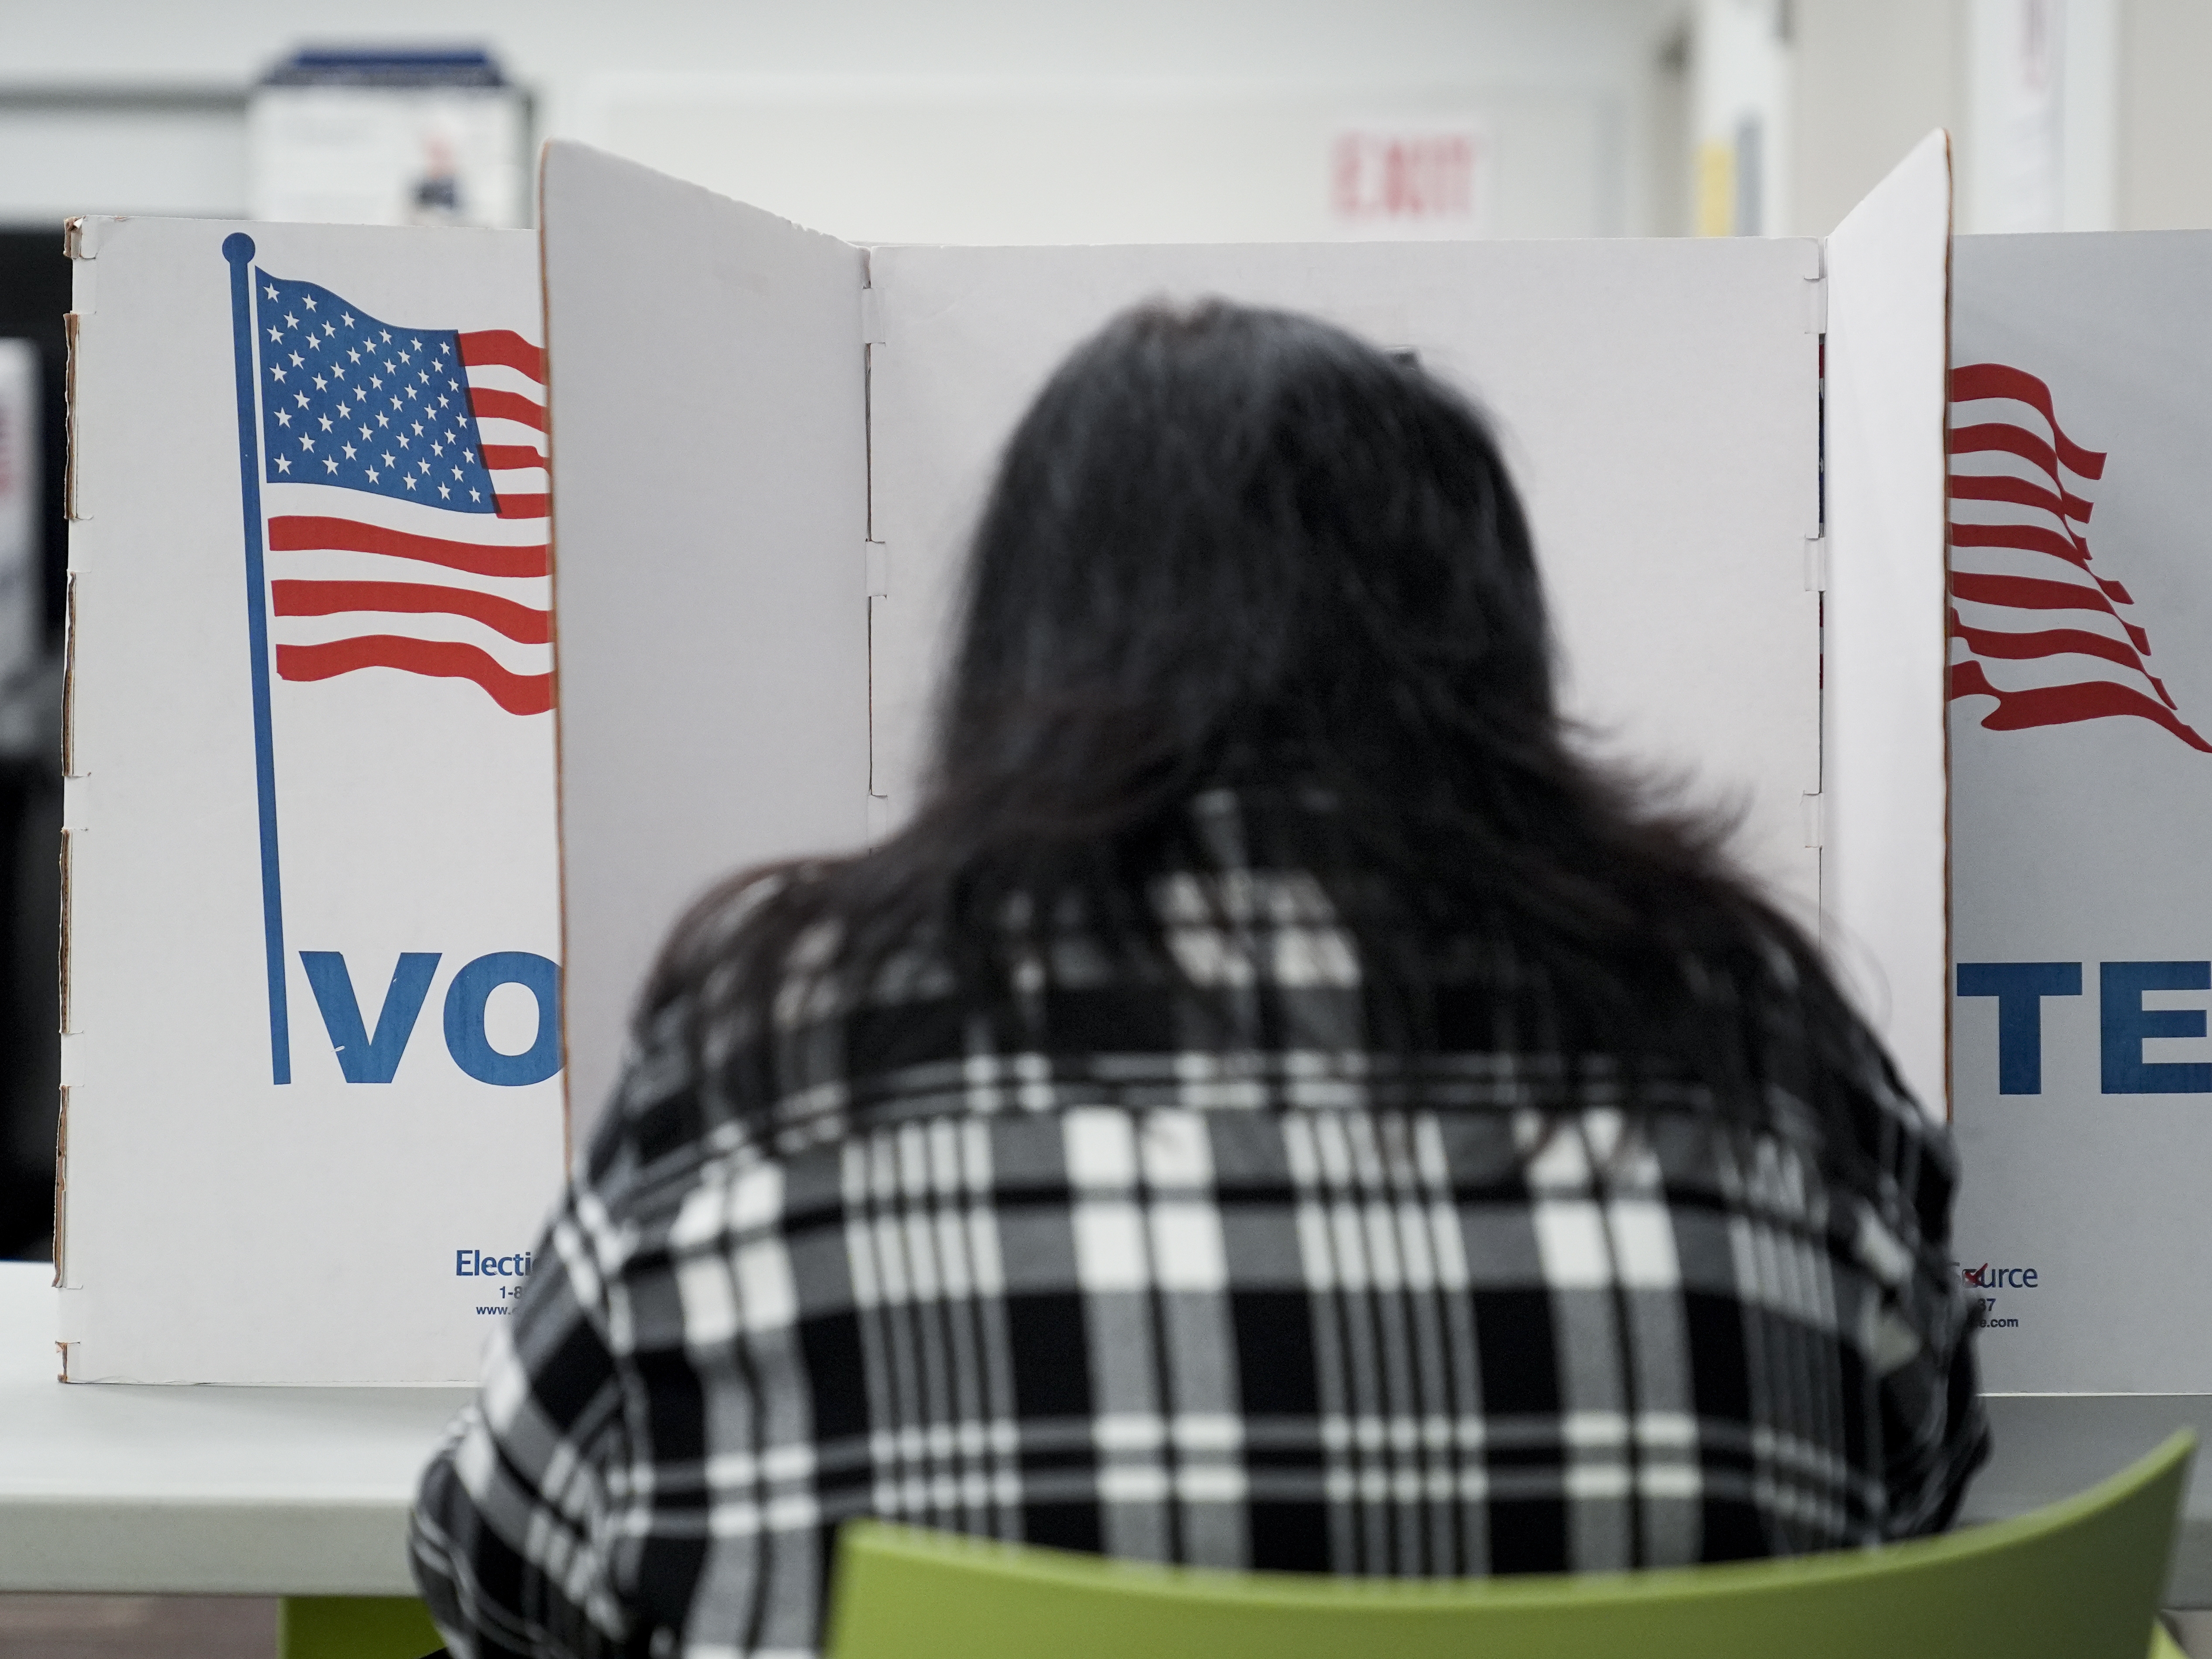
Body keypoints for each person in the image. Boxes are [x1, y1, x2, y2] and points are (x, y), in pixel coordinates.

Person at [410, 301, 1986, 1658]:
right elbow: (1911, 1510)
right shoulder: (1763, 1047)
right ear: (1494, 642)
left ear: (1019, 647)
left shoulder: (774, 1057)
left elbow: (504, 1577)